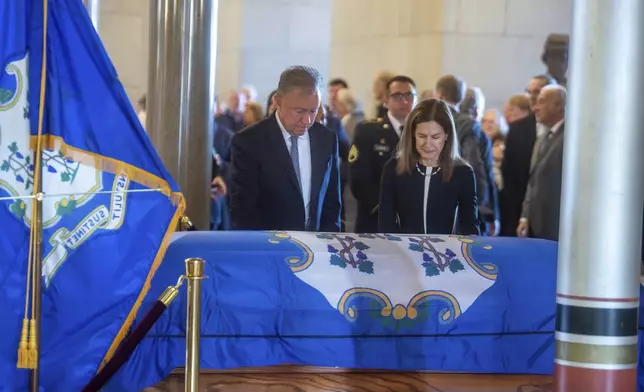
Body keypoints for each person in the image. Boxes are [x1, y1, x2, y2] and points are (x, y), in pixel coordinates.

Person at [230, 66, 341, 232]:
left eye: (313, 111)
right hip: (268, 247)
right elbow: (244, 211)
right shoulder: (249, 141)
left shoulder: (326, 139)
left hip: (316, 247)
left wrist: (328, 246)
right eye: (299, 111)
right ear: (278, 101)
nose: (307, 120)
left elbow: (332, 203)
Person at [378, 99, 479, 235]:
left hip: (446, 252)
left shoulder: (462, 172)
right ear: (413, 135)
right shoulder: (394, 168)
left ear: (447, 135)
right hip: (403, 252)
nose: (428, 144)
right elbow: (385, 224)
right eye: (422, 136)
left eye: (435, 137)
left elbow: (470, 226)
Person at [349, 75, 417, 233]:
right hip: (375, 220)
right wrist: (389, 209)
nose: (405, 101)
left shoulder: (423, 133)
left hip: (412, 224)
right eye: (397, 96)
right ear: (386, 101)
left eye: (409, 96)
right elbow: (359, 181)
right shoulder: (368, 131)